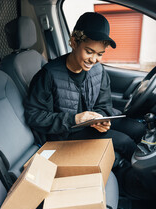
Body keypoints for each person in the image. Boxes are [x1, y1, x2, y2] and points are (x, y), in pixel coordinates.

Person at [24, 12, 146, 161]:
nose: (94, 59)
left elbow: (104, 105)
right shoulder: (48, 75)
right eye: (89, 52)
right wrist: (74, 119)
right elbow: (34, 116)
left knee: (139, 129)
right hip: (66, 133)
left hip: (90, 125)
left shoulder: (98, 71)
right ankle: (133, 179)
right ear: (74, 43)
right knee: (124, 142)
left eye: (100, 54)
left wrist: (101, 119)